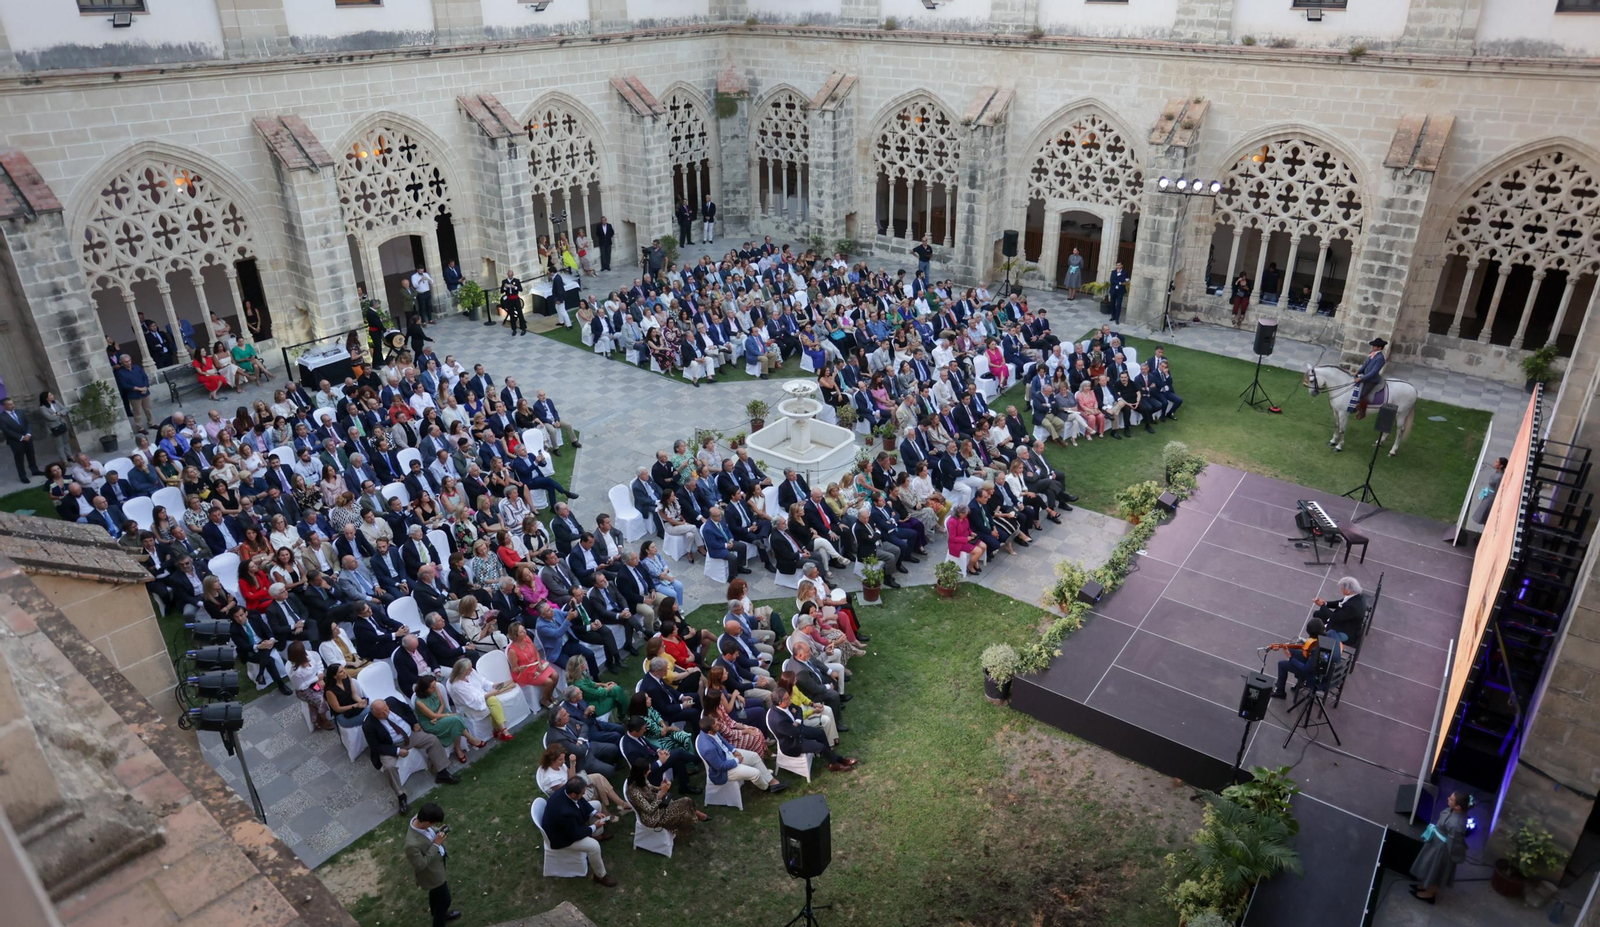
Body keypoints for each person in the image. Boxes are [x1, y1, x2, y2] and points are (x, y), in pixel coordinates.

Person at [363, 696, 461, 814]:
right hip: (391, 746)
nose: (386, 713)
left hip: (410, 735)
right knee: (389, 767)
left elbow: (407, 709)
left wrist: (414, 723)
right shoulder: (368, 725)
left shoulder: (392, 701)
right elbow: (376, 746)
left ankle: (442, 772)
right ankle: (400, 795)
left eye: (386, 709)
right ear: (374, 714)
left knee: (433, 740)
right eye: (382, 713)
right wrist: (397, 751)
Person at [540, 776, 618, 887]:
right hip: (562, 838)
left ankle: (597, 835)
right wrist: (594, 826)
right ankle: (600, 875)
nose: (583, 795)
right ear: (573, 795)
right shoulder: (565, 813)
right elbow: (577, 834)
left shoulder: (566, 789)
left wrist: (594, 813)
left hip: (568, 827)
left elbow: (581, 800)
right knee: (594, 846)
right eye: (582, 793)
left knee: (596, 805)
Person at [766, 687, 858, 772]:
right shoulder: (779, 720)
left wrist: (797, 721)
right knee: (820, 747)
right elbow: (795, 733)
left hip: (798, 730)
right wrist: (797, 725)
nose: (790, 699)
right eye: (787, 698)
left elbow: (798, 709)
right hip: (793, 743)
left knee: (821, 733)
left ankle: (833, 760)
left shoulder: (786, 704)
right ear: (780, 703)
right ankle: (836, 761)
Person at [536, 743, 629, 820]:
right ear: (552, 760)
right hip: (569, 794)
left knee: (598, 777)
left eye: (564, 758)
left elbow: (571, 777)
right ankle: (607, 813)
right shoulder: (551, 778)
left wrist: (572, 763)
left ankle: (622, 804)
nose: (563, 761)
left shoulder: (559, 765)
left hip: (572, 782)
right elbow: (567, 792)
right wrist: (582, 785)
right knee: (596, 787)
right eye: (560, 759)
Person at [1409, 791, 1472, 904]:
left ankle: (1430, 894)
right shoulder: (1453, 811)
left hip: (1443, 851)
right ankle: (1425, 885)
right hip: (1436, 844)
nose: (1448, 798)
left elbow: (1455, 843)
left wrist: (1455, 857)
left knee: (1437, 872)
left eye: (1451, 799)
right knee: (1430, 867)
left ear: (1458, 807)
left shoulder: (1456, 824)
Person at [404, 802, 459, 927]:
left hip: (438, 864)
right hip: (432, 874)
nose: (434, 826)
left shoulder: (420, 819)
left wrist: (438, 831)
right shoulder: (411, 845)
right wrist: (436, 844)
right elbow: (420, 864)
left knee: (435, 894)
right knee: (445, 900)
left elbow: (428, 832)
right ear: (427, 822)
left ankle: (437, 912)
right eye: (434, 823)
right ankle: (439, 920)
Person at [625, 758, 707, 837]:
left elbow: (650, 787)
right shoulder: (634, 792)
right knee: (686, 801)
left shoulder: (641, 779)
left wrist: (660, 787)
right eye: (648, 770)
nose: (650, 771)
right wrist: (661, 794)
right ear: (642, 773)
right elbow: (649, 810)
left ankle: (695, 816)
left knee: (686, 803)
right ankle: (696, 816)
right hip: (653, 818)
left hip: (658, 806)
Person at [413, 675, 484, 763]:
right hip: (430, 723)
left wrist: (439, 715)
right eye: (432, 687)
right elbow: (432, 716)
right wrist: (448, 715)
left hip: (440, 713)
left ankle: (460, 748)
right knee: (455, 719)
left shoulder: (435, 689)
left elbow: (442, 704)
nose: (435, 688)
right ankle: (470, 740)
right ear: (425, 689)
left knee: (455, 720)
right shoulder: (419, 702)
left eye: (435, 685)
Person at [447, 657, 518, 742]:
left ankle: (501, 730)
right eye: (468, 669)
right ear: (462, 671)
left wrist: (493, 685)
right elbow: (472, 701)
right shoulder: (457, 686)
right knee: (493, 701)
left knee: (493, 700)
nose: (471, 670)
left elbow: (483, 681)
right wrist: (490, 694)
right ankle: (501, 730)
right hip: (471, 706)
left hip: (483, 696)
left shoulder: (471, 672)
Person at [1269, 617, 1343, 699]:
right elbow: (1341, 641)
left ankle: (1280, 691)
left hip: (1321, 679)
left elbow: (1305, 669)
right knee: (1295, 652)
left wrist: (1290, 657)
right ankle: (1298, 684)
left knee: (1282, 664)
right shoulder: (1332, 633)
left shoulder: (1318, 650)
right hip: (1336, 674)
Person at [0, 396, 44, 483]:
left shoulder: (20, 412)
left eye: (12, 403)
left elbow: (28, 423)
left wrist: (28, 434)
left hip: (27, 438)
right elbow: (7, 430)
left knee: (31, 455)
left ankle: (34, 470)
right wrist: (21, 437)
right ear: (4, 406)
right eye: (9, 404)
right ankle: (22, 476)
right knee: (19, 459)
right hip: (16, 441)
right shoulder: (2, 417)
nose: (12, 406)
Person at [1312, 577, 1367, 645]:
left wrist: (1322, 606)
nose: (1340, 589)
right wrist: (1325, 603)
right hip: (1343, 620)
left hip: (1346, 631)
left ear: (1348, 590)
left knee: (1317, 625)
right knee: (1317, 614)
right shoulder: (1355, 596)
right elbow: (1340, 603)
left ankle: (1319, 643)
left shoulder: (1352, 608)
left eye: (1342, 588)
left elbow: (1334, 618)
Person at [1349, 337, 1387, 419]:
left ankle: (1362, 412)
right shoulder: (1372, 354)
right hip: (1365, 376)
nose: (1373, 347)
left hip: (1372, 380)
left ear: (1379, 348)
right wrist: (1358, 372)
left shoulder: (1380, 358)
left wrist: (1361, 379)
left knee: (1362, 394)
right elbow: (1365, 365)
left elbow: (1373, 372)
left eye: (1374, 346)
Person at [1474, 456, 1508, 525]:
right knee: (1484, 513)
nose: (1494, 463)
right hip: (1488, 495)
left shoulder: (1499, 477)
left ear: (1501, 466)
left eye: (1496, 462)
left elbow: (1498, 490)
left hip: (1491, 498)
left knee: (1486, 513)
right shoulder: (1497, 474)